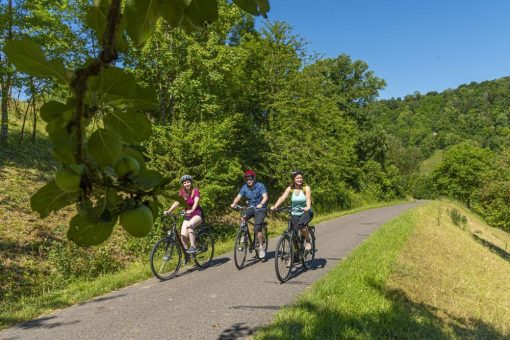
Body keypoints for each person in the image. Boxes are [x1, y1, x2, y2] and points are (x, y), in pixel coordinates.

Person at [230, 170, 269, 259]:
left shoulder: (260, 186)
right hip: (251, 208)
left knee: (257, 227)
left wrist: (261, 204)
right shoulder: (244, 187)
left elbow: (265, 197)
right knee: (243, 216)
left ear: (254, 179)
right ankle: (243, 235)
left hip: (260, 209)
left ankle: (261, 248)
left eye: (250, 179)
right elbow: (238, 197)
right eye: (247, 179)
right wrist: (234, 203)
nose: (249, 181)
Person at [271, 170, 313, 251]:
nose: (299, 179)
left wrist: (307, 207)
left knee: (301, 226)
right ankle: (296, 253)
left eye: (301, 178)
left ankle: (308, 241)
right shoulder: (290, 189)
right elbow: (282, 198)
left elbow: (308, 198)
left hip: (306, 212)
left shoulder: (306, 188)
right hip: (295, 213)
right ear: (294, 179)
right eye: (297, 178)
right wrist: (275, 206)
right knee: (293, 234)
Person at [165, 175, 203, 254]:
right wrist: (169, 211)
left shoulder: (195, 190)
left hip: (197, 215)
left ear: (191, 182)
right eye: (185, 183)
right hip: (187, 216)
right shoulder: (182, 192)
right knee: (182, 236)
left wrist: (192, 210)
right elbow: (177, 202)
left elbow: (196, 201)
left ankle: (193, 246)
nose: (187, 184)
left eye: (188, 182)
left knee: (189, 226)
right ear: (183, 184)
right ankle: (187, 255)